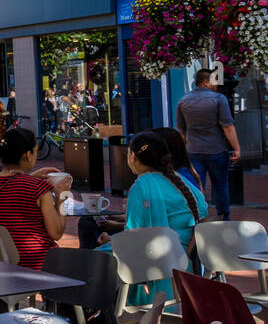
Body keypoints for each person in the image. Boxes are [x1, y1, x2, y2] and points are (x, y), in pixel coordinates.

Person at [79, 131, 208, 305]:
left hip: (158, 263)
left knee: (85, 265)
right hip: (188, 266)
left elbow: (135, 239)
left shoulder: (142, 186)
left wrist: (110, 240)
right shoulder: (183, 183)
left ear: (132, 156)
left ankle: (99, 317)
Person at [0, 127, 71, 271]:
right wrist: (62, 197)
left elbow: (11, 189)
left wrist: (30, 176)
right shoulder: (38, 188)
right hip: (35, 264)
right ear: (28, 155)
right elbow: (56, 233)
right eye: (35, 152)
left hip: (0, 264)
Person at [177, 68, 241, 221]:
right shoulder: (219, 99)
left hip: (193, 150)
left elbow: (181, 131)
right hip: (216, 150)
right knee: (220, 185)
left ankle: (197, 216)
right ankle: (223, 217)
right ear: (205, 81)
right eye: (214, 80)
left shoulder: (183, 101)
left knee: (195, 186)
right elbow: (228, 127)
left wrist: (182, 152)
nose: (217, 84)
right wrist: (237, 148)